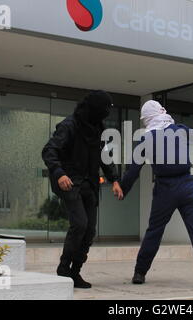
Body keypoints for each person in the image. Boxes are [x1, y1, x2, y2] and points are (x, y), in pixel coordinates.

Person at [117, 98, 193, 289]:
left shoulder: (145, 139)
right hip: (186, 186)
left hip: (164, 189)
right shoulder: (180, 130)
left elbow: (133, 170)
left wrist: (122, 189)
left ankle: (139, 273)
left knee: (154, 231)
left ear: (147, 119)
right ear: (162, 112)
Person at [42, 90, 124, 289]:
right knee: (79, 224)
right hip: (70, 182)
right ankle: (63, 269)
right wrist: (59, 173)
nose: (105, 114)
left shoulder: (97, 127)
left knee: (89, 231)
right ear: (94, 108)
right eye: (104, 109)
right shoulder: (69, 125)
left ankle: (75, 272)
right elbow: (49, 150)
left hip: (90, 184)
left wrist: (114, 180)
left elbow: (104, 156)